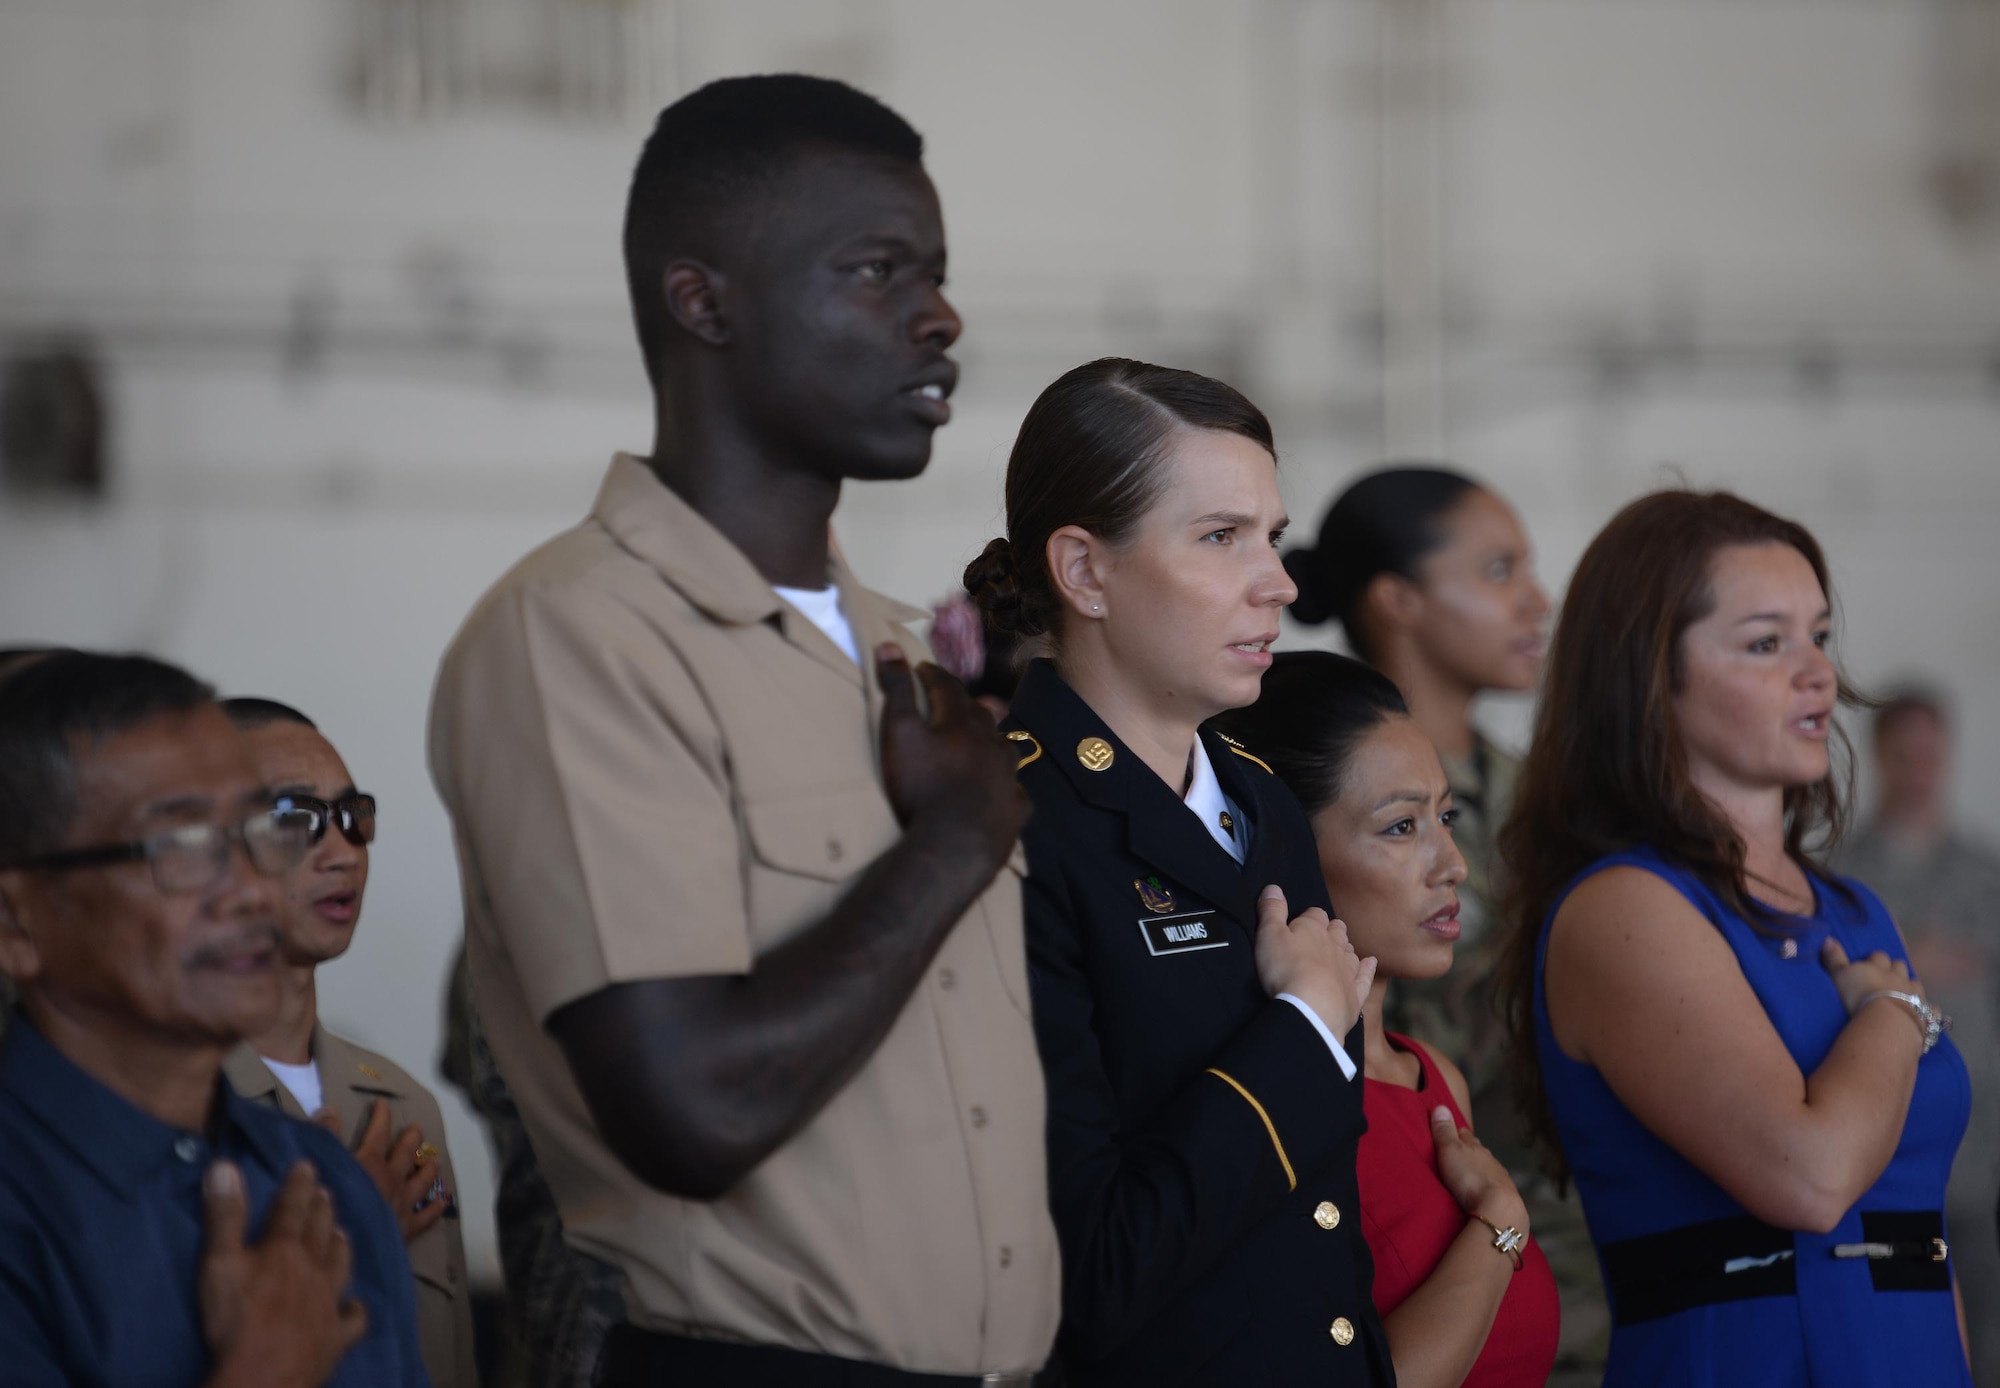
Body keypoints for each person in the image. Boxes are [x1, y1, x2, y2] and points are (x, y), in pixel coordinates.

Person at [429, 75, 1058, 1387]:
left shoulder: (902, 654)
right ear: (702, 302)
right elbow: (692, 1113)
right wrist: (953, 842)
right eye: (877, 271)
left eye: (936, 273)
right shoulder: (577, 635)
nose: (940, 317)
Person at [963, 358, 1388, 1386]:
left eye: (1271, 537)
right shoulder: (1007, 823)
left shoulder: (1261, 804)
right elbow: (1089, 1268)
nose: (1277, 582)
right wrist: (1299, 1027)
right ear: (1083, 570)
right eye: (1218, 537)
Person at [1499, 489, 1972, 1386]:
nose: (1820, 676)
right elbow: (1809, 1178)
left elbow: (1919, 1231)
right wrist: (1894, 1013)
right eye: (1767, 644)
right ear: (1650, 677)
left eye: (1819, 638)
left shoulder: (1855, 909)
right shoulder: (1624, 909)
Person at [0, 649, 427, 1387]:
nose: (252, 893)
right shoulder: (23, 1215)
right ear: (17, 922)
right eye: (183, 845)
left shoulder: (324, 1180)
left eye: (260, 833)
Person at [1281, 466, 1605, 1377]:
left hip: (1558, 1246)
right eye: (1500, 570)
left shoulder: (1547, 799)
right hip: (1416, 1233)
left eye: (1441, 820)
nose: (1537, 599)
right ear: (1399, 600)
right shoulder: (1299, 791)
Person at [1214, 649, 1559, 1388]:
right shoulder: (1259, 1105)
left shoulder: (1437, 1082)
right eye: (1401, 828)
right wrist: (1501, 1226)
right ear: (1285, 847)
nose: (1453, 863)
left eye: (1446, 816)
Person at [218, 697, 476, 1388]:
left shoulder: (400, 1108)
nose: (343, 852)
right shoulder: (173, 1109)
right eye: (294, 819)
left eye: (352, 816)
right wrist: (353, 1232)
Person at [1836, 688, 2000, 1385]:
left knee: (1985, 1315)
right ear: (1880, 758)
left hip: (1983, 1140)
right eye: (1905, 755)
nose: (1920, 770)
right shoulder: (1840, 878)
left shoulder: (1986, 872)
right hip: (1883, 1142)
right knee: (1894, 1316)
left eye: (1931, 754)